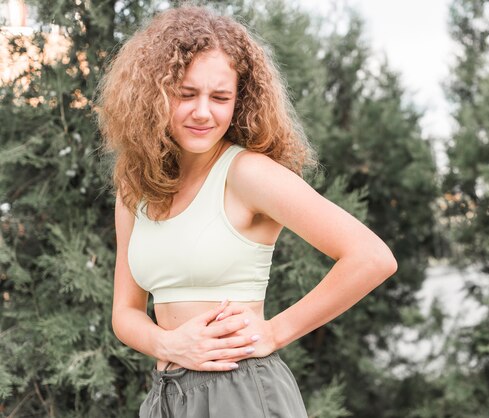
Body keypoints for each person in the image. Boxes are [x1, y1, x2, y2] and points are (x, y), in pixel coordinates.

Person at [97, 5, 397, 417]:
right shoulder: (136, 187)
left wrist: (275, 331)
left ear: (239, 102)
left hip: (240, 393)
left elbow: (372, 257)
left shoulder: (248, 174)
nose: (203, 112)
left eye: (220, 97)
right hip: (167, 397)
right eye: (186, 94)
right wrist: (166, 344)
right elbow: (125, 312)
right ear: (155, 94)